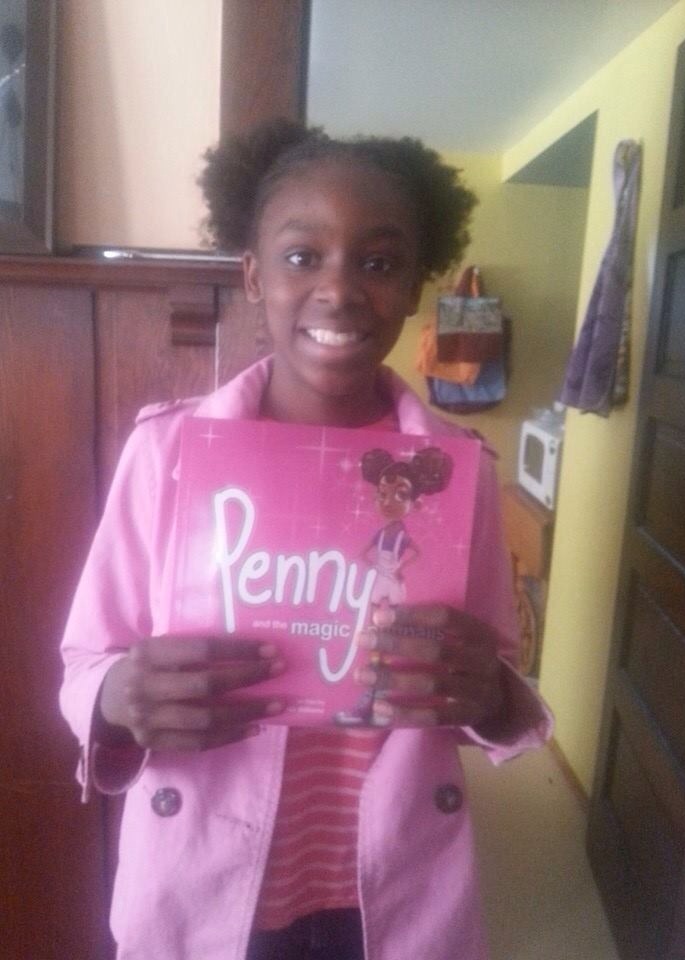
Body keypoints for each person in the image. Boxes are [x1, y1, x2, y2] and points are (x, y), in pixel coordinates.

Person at [59, 118, 552, 960]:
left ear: (415, 286)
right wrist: (115, 699)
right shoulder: (167, 454)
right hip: (208, 873)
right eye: (301, 256)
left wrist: (493, 694)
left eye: (379, 263)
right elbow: (85, 659)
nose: (339, 289)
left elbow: (492, 672)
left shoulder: (453, 473)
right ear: (253, 275)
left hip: (391, 882)